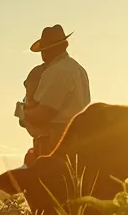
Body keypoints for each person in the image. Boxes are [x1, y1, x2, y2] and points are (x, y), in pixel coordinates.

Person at [17, 25, 91, 163]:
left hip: (54, 141)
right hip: (78, 139)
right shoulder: (78, 69)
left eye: (43, 50)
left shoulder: (56, 71)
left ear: (48, 50)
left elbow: (44, 113)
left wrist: (23, 112)